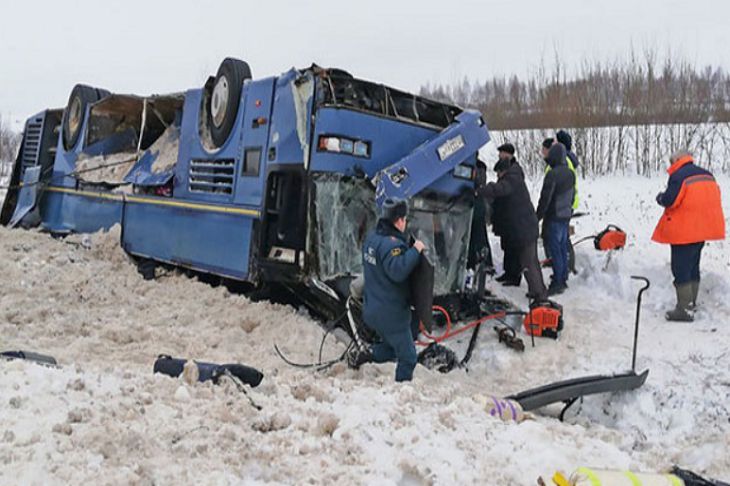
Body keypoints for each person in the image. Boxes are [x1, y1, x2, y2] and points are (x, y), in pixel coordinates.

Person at [348, 198, 426, 381]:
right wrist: (416, 250)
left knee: (392, 348)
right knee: (408, 357)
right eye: (404, 219)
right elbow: (398, 271)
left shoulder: (372, 238)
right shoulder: (392, 245)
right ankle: (400, 393)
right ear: (399, 220)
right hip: (391, 315)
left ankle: (368, 353)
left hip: (372, 309)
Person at [652, 151, 725, 322]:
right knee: (693, 266)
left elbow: (671, 199)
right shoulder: (707, 175)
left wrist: (660, 197)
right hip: (703, 228)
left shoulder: (679, 176)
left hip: (684, 230)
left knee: (681, 268)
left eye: (671, 162)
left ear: (677, 160)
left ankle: (684, 309)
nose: (670, 166)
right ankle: (691, 303)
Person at [477, 145, 548, 302]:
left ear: (503, 171)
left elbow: (501, 189)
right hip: (517, 227)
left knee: (529, 262)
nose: (497, 175)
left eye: (498, 173)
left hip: (525, 227)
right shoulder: (509, 176)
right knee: (517, 256)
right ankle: (514, 277)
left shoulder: (513, 177)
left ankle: (540, 294)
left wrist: (481, 190)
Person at [536, 143, 575, 296]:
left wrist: (537, 216)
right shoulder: (570, 173)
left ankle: (558, 281)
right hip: (565, 216)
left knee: (555, 250)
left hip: (554, 216)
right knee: (562, 248)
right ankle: (563, 276)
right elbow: (572, 195)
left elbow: (545, 198)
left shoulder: (552, 174)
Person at [491, 143, 522, 286]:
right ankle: (508, 272)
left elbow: (505, 189)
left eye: (501, 153)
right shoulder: (506, 168)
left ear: (508, 154)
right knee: (507, 245)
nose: (499, 156)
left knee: (513, 247)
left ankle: (514, 275)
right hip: (506, 216)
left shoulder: (514, 170)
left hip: (513, 216)